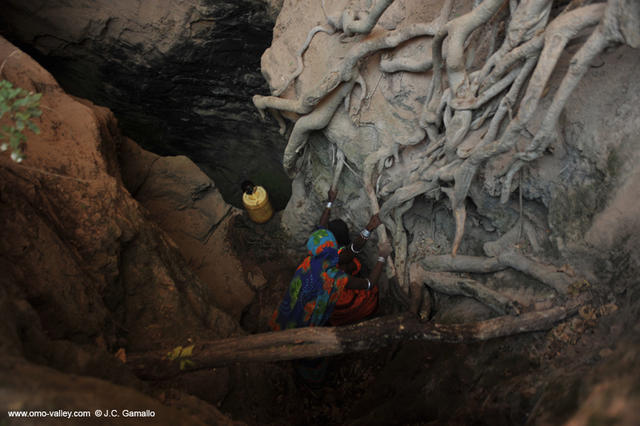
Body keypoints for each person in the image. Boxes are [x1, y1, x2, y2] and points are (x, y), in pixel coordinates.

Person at [269, 188, 391, 331]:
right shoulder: (335, 278)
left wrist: (330, 202)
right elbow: (369, 283)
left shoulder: (310, 259)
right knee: (369, 292)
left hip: (292, 311)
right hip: (324, 314)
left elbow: (322, 228)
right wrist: (382, 255)